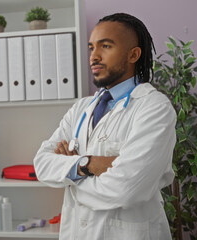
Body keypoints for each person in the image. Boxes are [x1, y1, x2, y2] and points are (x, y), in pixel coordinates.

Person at [33, 13, 176, 240]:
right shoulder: (82, 108)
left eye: (106, 46)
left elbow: (126, 189)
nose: (94, 56)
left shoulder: (154, 108)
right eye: (91, 48)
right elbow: (41, 164)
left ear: (133, 54)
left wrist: (71, 178)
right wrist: (88, 164)